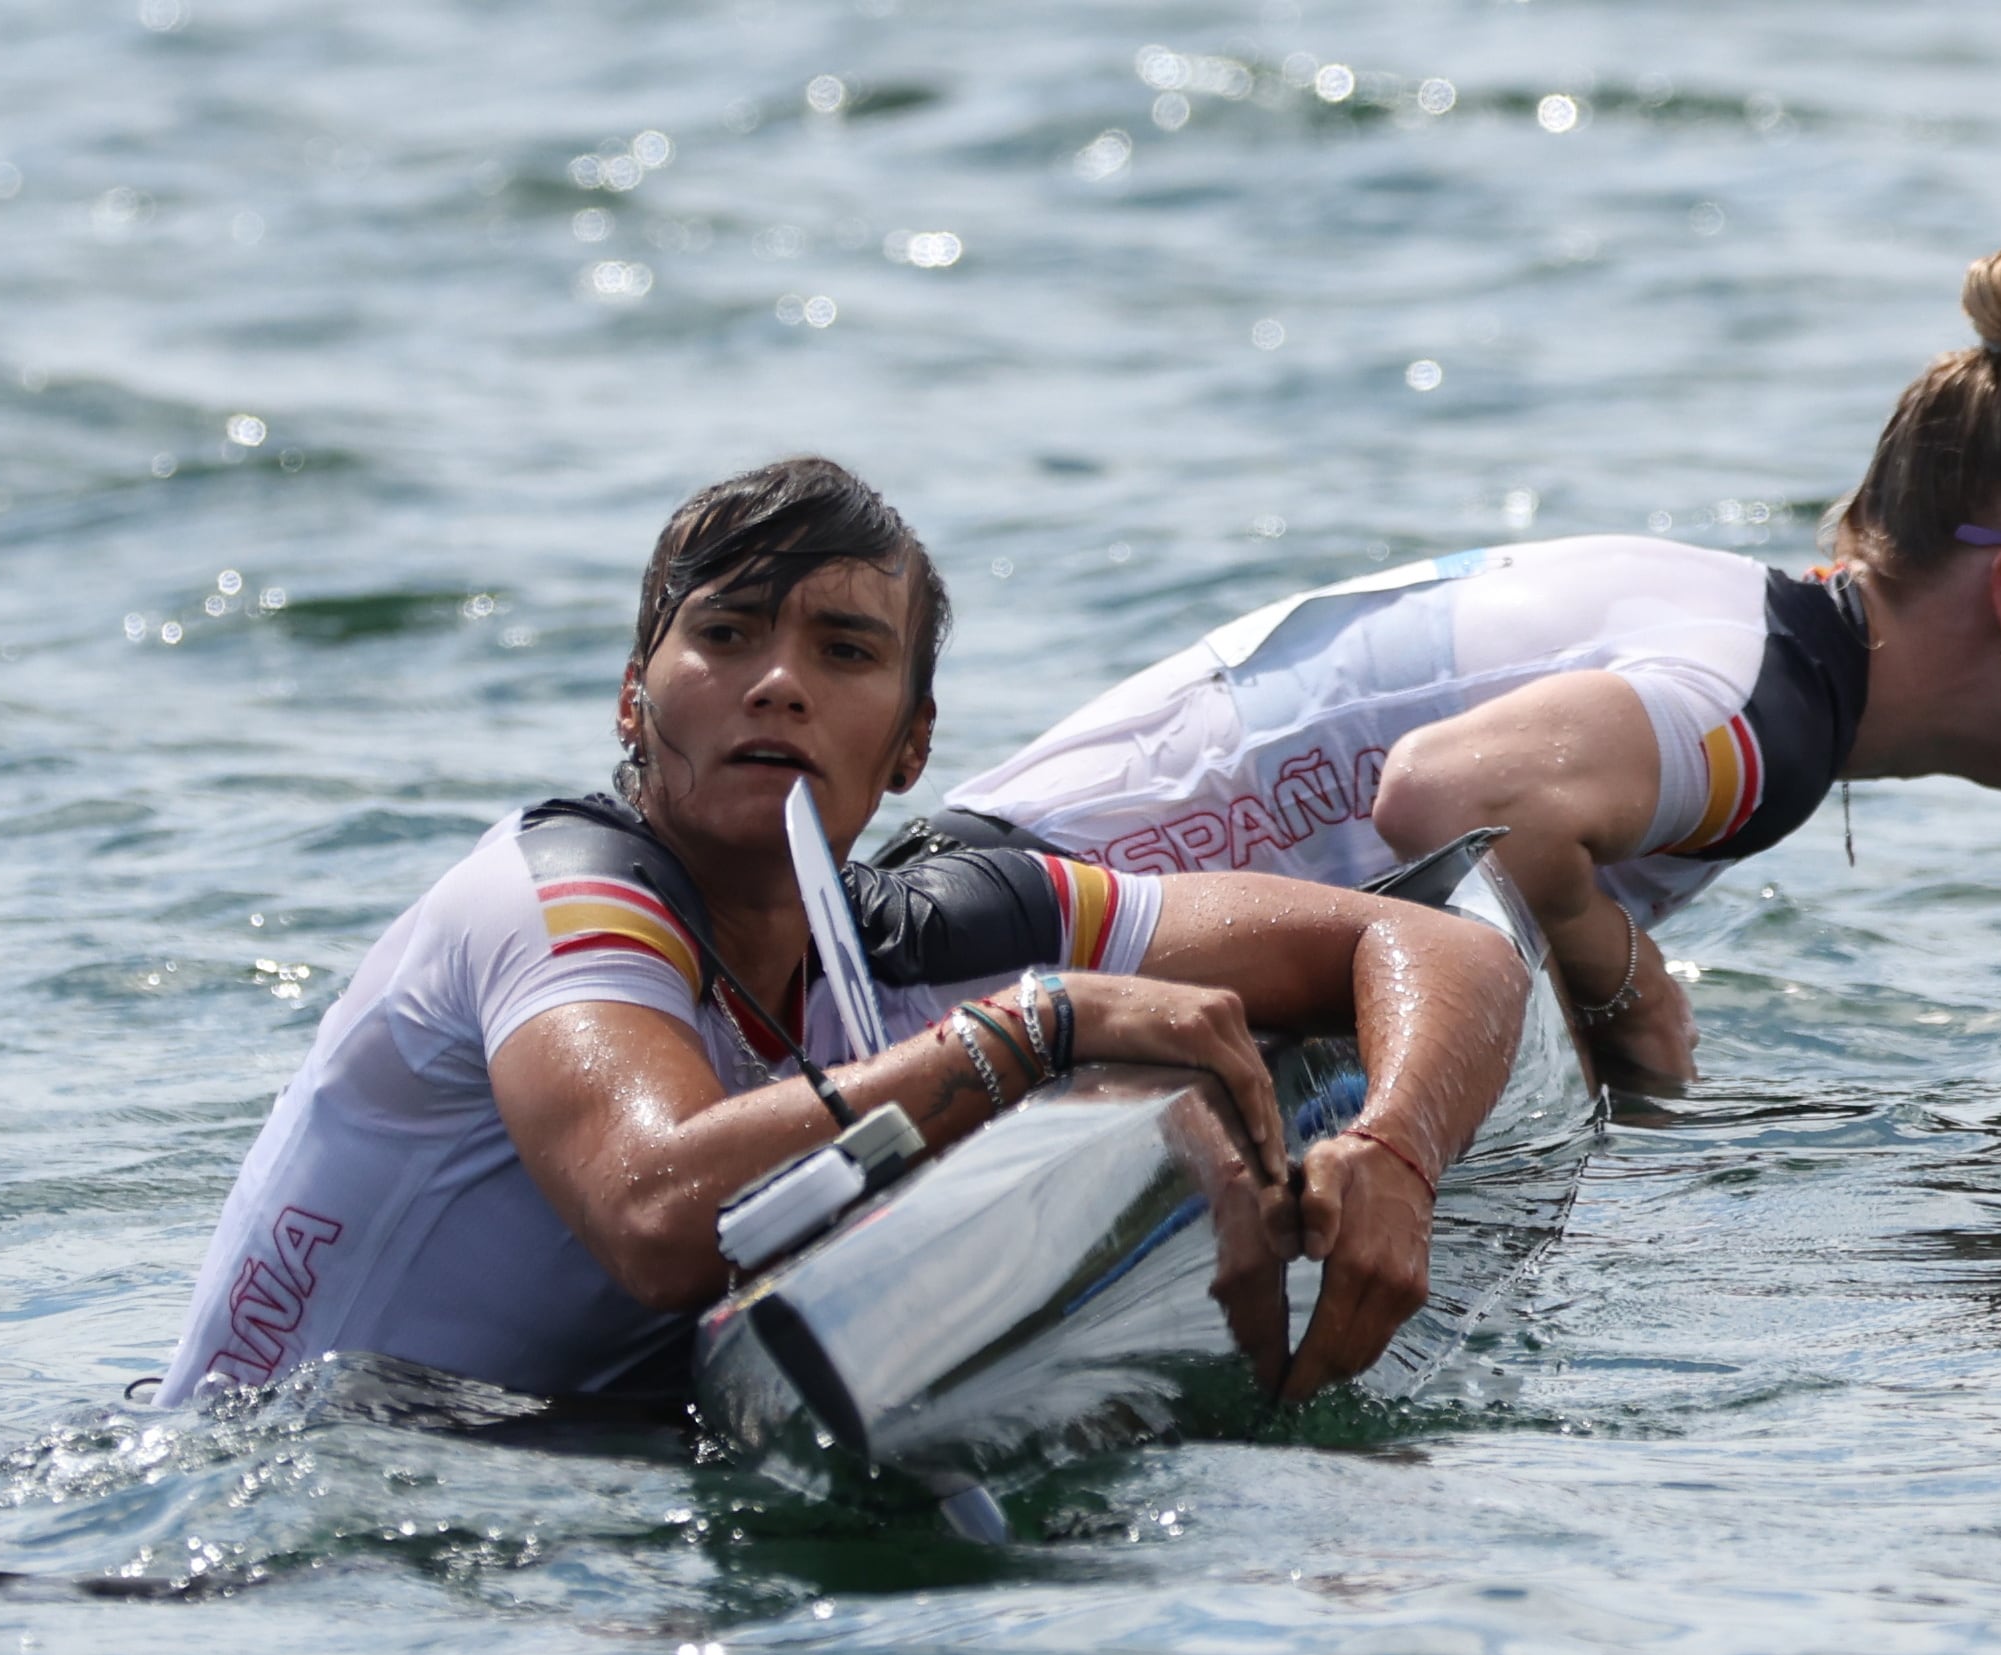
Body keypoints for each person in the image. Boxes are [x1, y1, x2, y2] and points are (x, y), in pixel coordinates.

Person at [161, 459, 1526, 1412]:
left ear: (915, 742)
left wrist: (1395, 1149)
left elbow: (1437, 949)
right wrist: (1035, 1034)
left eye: (846, 653)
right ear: (636, 702)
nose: (777, 683)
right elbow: (656, 1210)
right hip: (269, 1512)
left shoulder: (923, 927)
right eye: (728, 635)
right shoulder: (557, 899)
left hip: (575, 1468)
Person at [919, 243, 2001, 1091]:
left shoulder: (1752, 640)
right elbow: (1447, 797)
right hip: (975, 955)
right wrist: (1627, 993)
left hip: (964, 905)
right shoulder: (1762, 713)